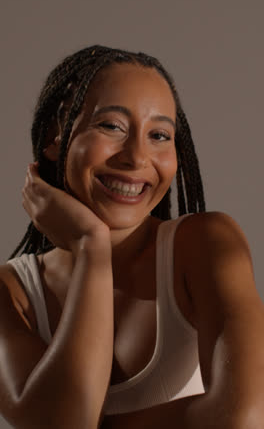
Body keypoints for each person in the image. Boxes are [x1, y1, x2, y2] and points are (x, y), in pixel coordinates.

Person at [0, 45, 262, 429]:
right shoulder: (12, 293)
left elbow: (244, 419)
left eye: (159, 134)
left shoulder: (206, 244)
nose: (137, 158)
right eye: (111, 126)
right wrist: (91, 246)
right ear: (57, 137)